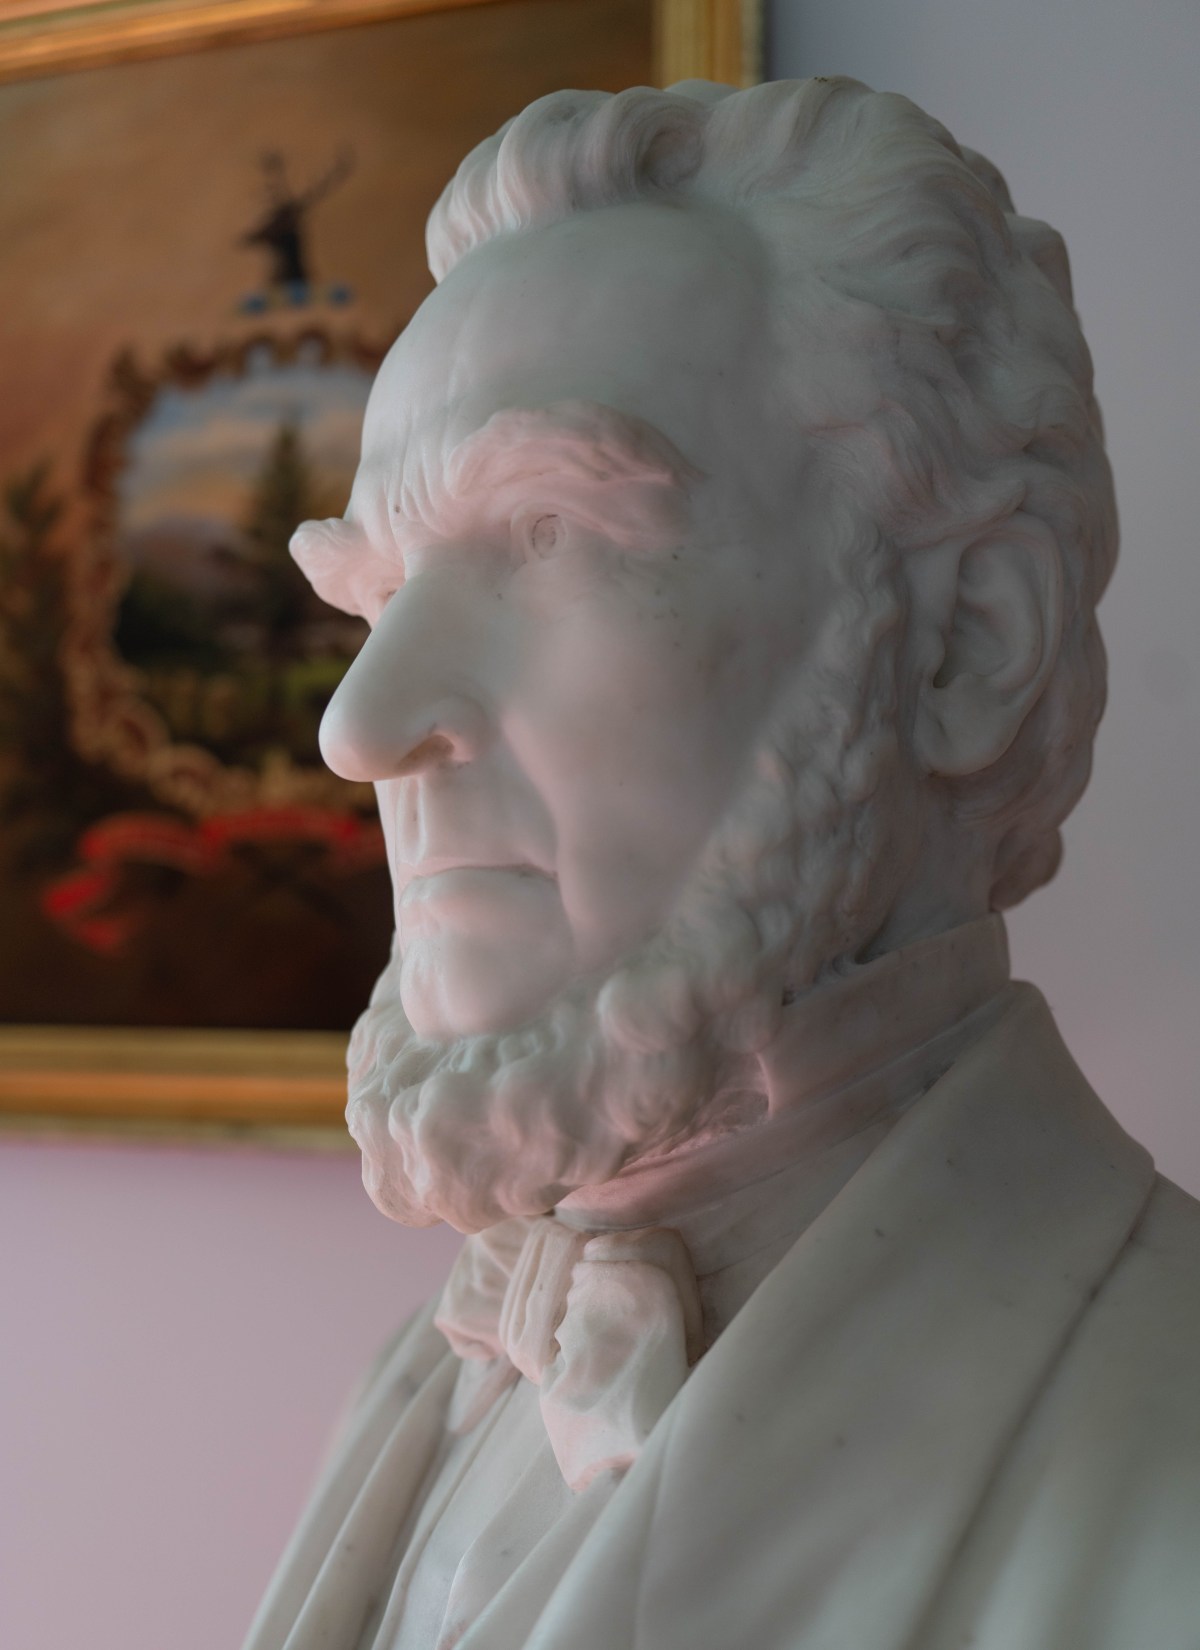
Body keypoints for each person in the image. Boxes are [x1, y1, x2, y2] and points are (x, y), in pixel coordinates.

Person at [246, 78, 1200, 1649]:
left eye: (550, 534)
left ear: (969, 643)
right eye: (377, 595)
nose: (361, 726)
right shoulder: (429, 1381)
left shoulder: (1164, 1448)